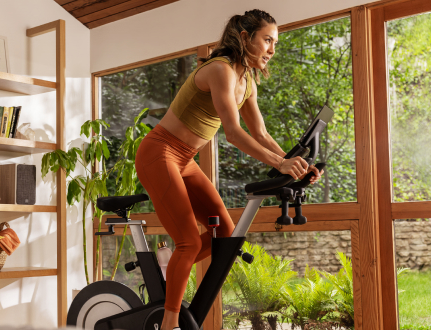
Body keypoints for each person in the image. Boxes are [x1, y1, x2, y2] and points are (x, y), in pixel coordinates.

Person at [133, 10, 322, 330]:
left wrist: (296, 167)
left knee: (224, 231)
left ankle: (171, 265)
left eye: (275, 42)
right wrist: (280, 163)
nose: (272, 49)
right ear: (245, 38)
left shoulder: (247, 82)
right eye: (267, 40)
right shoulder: (220, 71)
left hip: (186, 157)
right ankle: (169, 324)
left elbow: (260, 134)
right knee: (190, 243)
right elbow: (234, 133)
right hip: (160, 152)